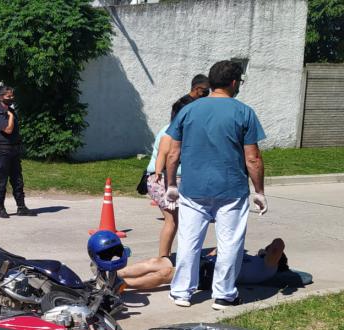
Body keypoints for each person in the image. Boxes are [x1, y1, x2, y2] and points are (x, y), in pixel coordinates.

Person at [165, 60, 268, 310]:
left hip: (193, 188)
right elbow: (252, 158)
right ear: (234, 83)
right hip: (231, 189)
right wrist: (259, 191)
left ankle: (181, 292)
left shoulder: (188, 110)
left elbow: (172, 153)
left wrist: (171, 184)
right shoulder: (244, 112)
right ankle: (223, 294)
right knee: (230, 243)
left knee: (189, 241)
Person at [145, 82, 204, 258]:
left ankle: (173, 257)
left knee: (180, 221)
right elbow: (164, 157)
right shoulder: (170, 133)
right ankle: (163, 258)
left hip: (171, 181)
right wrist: (158, 174)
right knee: (172, 221)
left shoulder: (182, 131)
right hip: (163, 181)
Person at [119, 238, 287, 291]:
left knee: (166, 274)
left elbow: (279, 243)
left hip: (211, 274)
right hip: (206, 261)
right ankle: (116, 273)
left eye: (269, 248)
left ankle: (122, 285)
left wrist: (267, 252)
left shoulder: (268, 268)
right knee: (156, 262)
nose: (267, 247)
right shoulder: (254, 258)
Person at [0, 85, 34, 219]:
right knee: (1, 181)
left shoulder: (11, 111)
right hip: (1, 152)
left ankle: (21, 207)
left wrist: (11, 115)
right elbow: (8, 130)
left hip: (14, 150)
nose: (12, 98)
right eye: (9, 96)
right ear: (0, 97)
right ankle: (1, 209)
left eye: (12, 96)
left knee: (18, 180)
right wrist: (11, 117)